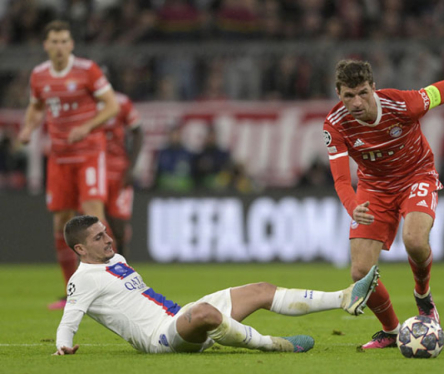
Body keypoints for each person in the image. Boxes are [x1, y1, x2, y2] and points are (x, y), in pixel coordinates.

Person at [323, 60, 444, 349]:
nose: (357, 102)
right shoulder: (335, 125)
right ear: (339, 93)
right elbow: (340, 179)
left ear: (373, 87)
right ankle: (390, 331)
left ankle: (423, 298)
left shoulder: (404, 104)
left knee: (414, 240)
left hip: (416, 176)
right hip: (374, 188)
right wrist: (352, 207)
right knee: (360, 272)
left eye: (362, 93)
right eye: (349, 95)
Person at [54, 215, 380, 355]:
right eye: (99, 238)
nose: (108, 239)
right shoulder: (82, 280)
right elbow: (70, 318)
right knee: (206, 313)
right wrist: (64, 344)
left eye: (105, 232)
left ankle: (344, 297)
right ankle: (274, 345)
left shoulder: (116, 259)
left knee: (261, 289)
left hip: (178, 316)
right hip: (160, 338)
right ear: (80, 249)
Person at [18, 20, 119, 310]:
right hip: (59, 158)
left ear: (71, 44)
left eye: (64, 41)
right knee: (61, 223)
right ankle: (71, 291)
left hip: (88, 153)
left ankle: (111, 284)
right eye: (55, 41)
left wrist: (86, 127)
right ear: (46, 45)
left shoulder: (87, 70)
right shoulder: (39, 76)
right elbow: (37, 105)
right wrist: (27, 128)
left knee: (93, 217)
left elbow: (110, 105)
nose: (60, 47)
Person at [103, 91, 143, 256]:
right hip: (93, 169)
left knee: (118, 225)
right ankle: (93, 270)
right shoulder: (85, 103)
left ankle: (123, 266)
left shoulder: (121, 102)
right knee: (94, 224)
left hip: (118, 172)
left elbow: (138, 132)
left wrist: (131, 167)